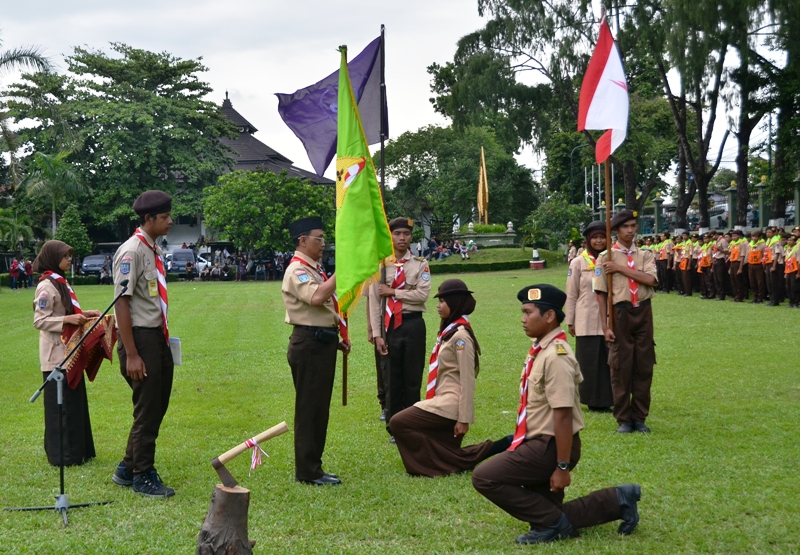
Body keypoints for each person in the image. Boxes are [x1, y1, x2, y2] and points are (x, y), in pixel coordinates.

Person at [472, 284, 641, 545]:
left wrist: (562, 466)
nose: (523, 319)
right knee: (546, 513)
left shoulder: (557, 356)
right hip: (539, 442)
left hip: (550, 445)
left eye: (528, 312)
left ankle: (553, 524)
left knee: (484, 477)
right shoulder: (543, 350)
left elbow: (563, 416)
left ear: (549, 316)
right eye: (523, 312)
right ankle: (619, 499)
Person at [391, 279, 508, 477]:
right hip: (440, 400)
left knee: (398, 422)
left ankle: (439, 466)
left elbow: (468, 380)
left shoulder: (460, 336)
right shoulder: (449, 331)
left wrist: (464, 418)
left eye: (443, 301)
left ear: (455, 303)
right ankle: (497, 447)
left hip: (450, 405)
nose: (438, 305)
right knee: (448, 450)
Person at [111, 190, 176, 498]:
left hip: (156, 336)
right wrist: (132, 354)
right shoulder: (132, 251)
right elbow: (121, 303)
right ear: (149, 219)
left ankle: (127, 466)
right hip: (139, 337)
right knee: (148, 408)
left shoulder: (151, 249)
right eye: (164, 217)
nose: (170, 221)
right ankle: (142, 475)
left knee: (155, 405)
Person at [282, 216, 350, 486]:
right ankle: (307, 471)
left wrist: (337, 338)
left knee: (319, 408)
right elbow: (317, 297)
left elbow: (324, 308)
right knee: (310, 409)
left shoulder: (314, 268)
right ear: (302, 241)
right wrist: (342, 272)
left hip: (322, 341)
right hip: (309, 344)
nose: (323, 243)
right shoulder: (297, 270)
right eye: (318, 238)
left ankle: (315, 466)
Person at [32, 241, 104, 466]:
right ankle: (63, 455)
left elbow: (68, 311)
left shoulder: (60, 282)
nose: (70, 259)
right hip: (56, 355)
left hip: (70, 352)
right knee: (60, 408)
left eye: (71, 255)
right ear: (54, 258)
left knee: (74, 404)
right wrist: (67, 320)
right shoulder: (46, 286)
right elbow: (40, 320)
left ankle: (79, 450)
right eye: (66, 256)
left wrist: (84, 313)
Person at [594, 210, 658, 434]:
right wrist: (605, 326)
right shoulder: (605, 258)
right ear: (616, 231)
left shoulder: (645, 255)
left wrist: (621, 268)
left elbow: (650, 280)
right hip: (619, 313)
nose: (630, 230)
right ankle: (623, 418)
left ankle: (639, 417)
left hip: (643, 312)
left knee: (643, 365)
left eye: (633, 225)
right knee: (620, 366)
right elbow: (600, 294)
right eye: (625, 227)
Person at [369, 218, 431, 442]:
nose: (402, 238)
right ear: (391, 237)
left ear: (411, 237)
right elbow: (375, 302)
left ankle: (412, 423)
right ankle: (395, 427)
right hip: (389, 326)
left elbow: (422, 295)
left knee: (412, 377)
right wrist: (377, 334)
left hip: (413, 324)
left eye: (406, 233)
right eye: (397, 234)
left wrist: (394, 292)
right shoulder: (381, 266)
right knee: (391, 378)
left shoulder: (420, 264)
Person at [564, 221, 613, 412]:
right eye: (595, 237)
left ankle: (610, 398)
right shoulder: (578, 262)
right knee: (589, 361)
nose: (599, 240)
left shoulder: (612, 259)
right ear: (588, 240)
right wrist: (570, 321)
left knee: (610, 360)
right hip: (585, 318)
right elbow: (572, 293)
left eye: (602, 237)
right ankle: (592, 400)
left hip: (610, 318)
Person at [747, 230, 766, 303]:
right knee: (752, 282)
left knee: (760, 282)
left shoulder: (763, 244)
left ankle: (760, 297)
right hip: (751, 264)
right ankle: (754, 297)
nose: (754, 238)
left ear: (760, 237)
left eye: (755, 236)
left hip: (759, 264)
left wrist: (763, 264)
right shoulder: (750, 245)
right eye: (752, 236)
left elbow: (765, 255)